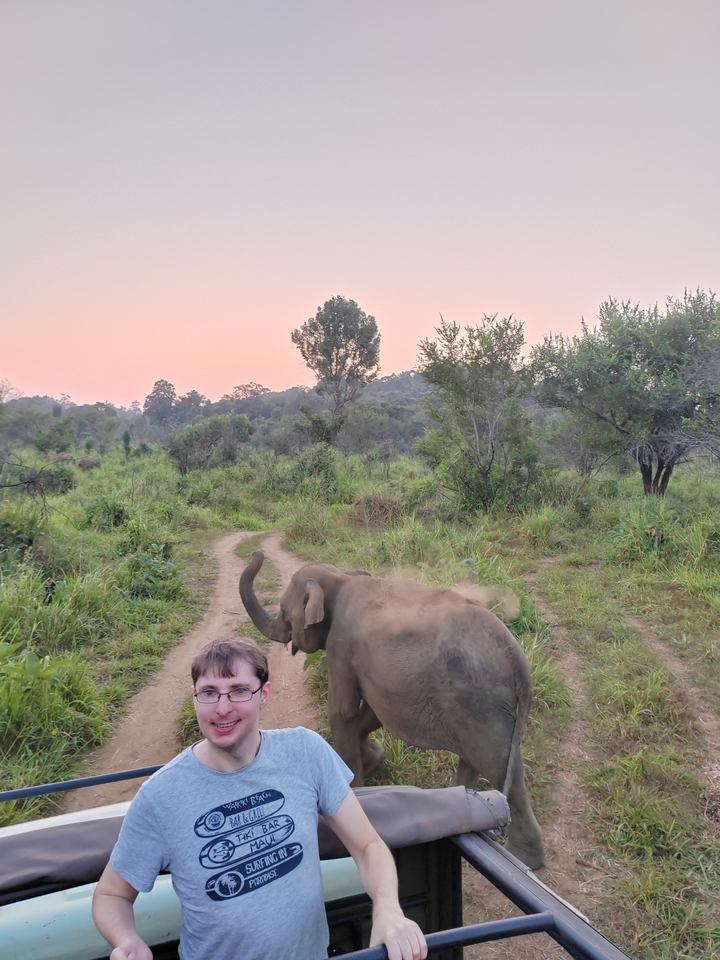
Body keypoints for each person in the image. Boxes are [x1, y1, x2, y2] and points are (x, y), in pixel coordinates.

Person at [92, 637, 428, 960]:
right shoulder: (159, 797)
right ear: (194, 697)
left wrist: (387, 910)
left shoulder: (305, 752)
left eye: (239, 690)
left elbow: (368, 845)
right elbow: (111, 894)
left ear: (263, 694)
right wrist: (126, 939)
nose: (222, 708)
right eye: (209, 692)